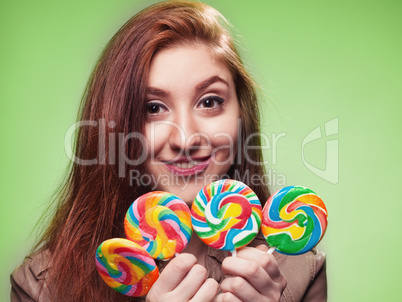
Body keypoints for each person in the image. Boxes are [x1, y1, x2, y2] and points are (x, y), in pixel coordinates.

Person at [10, 1, 327, 301]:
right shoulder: (43, 287)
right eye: (153, 107)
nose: (186, 138)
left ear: (241, 113)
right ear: (113, 124)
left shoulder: (296, 270)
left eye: (210, 102)